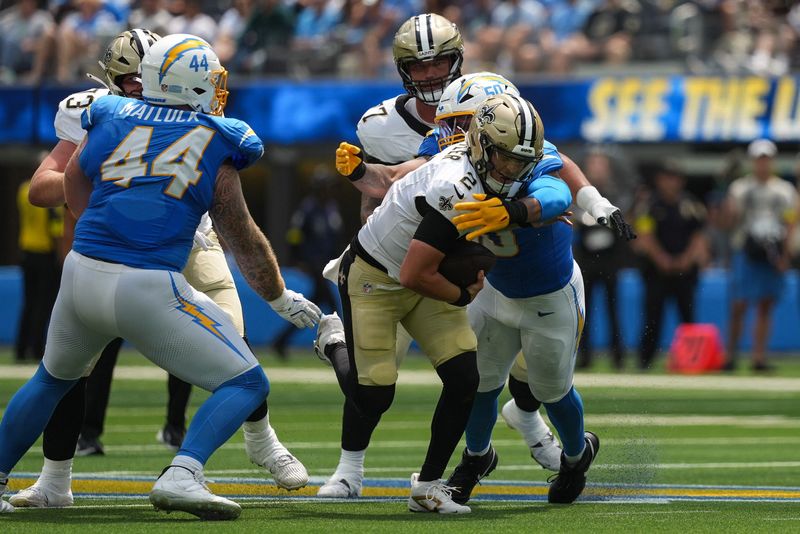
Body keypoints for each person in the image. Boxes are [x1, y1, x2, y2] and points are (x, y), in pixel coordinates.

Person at [0, 33, 320, 519]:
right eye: (211, 80)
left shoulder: (107, 115)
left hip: (83, 273)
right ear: (192, 85)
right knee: (248, 383)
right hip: (147, 284)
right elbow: (244, 237)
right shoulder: (220, 137)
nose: (218, 89)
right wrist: (277, 299)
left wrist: (92, 228)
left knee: (51, 378)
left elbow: (72, 175)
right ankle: (183, 473)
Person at [333, 72, 634, 488]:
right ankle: (475, 458)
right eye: (449, 124)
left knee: (550, 388)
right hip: (492, 287)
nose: (448, 134)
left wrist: (522, 211)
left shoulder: (525, 152)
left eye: (459, 123)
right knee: (481, 383)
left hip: (548, 291)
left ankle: (575, 455)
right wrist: (362, 172)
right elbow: (399, 178)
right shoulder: (453, 159)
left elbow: (557, 190)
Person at [723, 139, 798, 372]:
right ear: (753, 162)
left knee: (766, 304)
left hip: (771, 251)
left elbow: (790, 223)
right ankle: (731, 356)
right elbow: (728, 223)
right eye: (759, 159)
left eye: (766, 159)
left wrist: (785, 254)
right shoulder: (739, 188)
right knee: (739, 304)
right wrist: (731, 212)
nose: (763, 164)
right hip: (746, 249)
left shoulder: (784, 190)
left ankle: (758, 357)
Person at [632, 160, 708, 370]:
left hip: (686, 270)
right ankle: (645, 361)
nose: (671, 183)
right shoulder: (649, 205)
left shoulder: (690, 205)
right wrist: (661, 258)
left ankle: (692, 360)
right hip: (656, 271)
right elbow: (644, 235)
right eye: (667, 178)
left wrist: (687, 258)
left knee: (688, 317)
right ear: (659, 180)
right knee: (652, 317)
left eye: (675, 178)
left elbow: (698, 235)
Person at [272, 169, 343, 359]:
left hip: (326, 264)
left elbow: (334, 237)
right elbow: (294, 235)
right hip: (313, 264)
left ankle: (280, 341)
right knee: (332, 304)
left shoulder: (331, 209)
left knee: (314, 305)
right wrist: (298, 260)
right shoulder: (307, 209)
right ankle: (344, 342)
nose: (329, 192)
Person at [15, 178, 63, 363]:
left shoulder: (23, 189)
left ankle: (20, 348)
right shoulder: (49, 195)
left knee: (28, 303)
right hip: (45, 254)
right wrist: (61, 257)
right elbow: (55, 228)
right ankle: (36, 348)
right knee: (43, 305)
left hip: (26, 251)